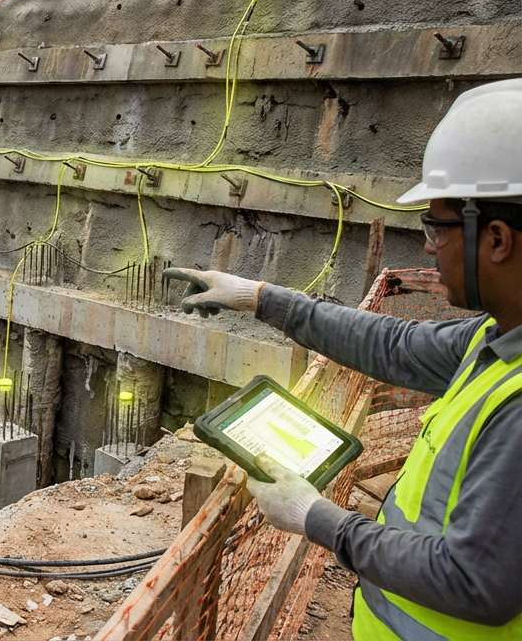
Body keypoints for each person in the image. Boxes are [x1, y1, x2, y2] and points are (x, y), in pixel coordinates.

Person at [165, 78, 522, 638]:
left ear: (496, 239)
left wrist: (322, 520)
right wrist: (259, 297)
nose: (429, 245)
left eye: (438, 225)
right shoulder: (496, 338)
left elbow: (476, 581)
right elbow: (391, 345)